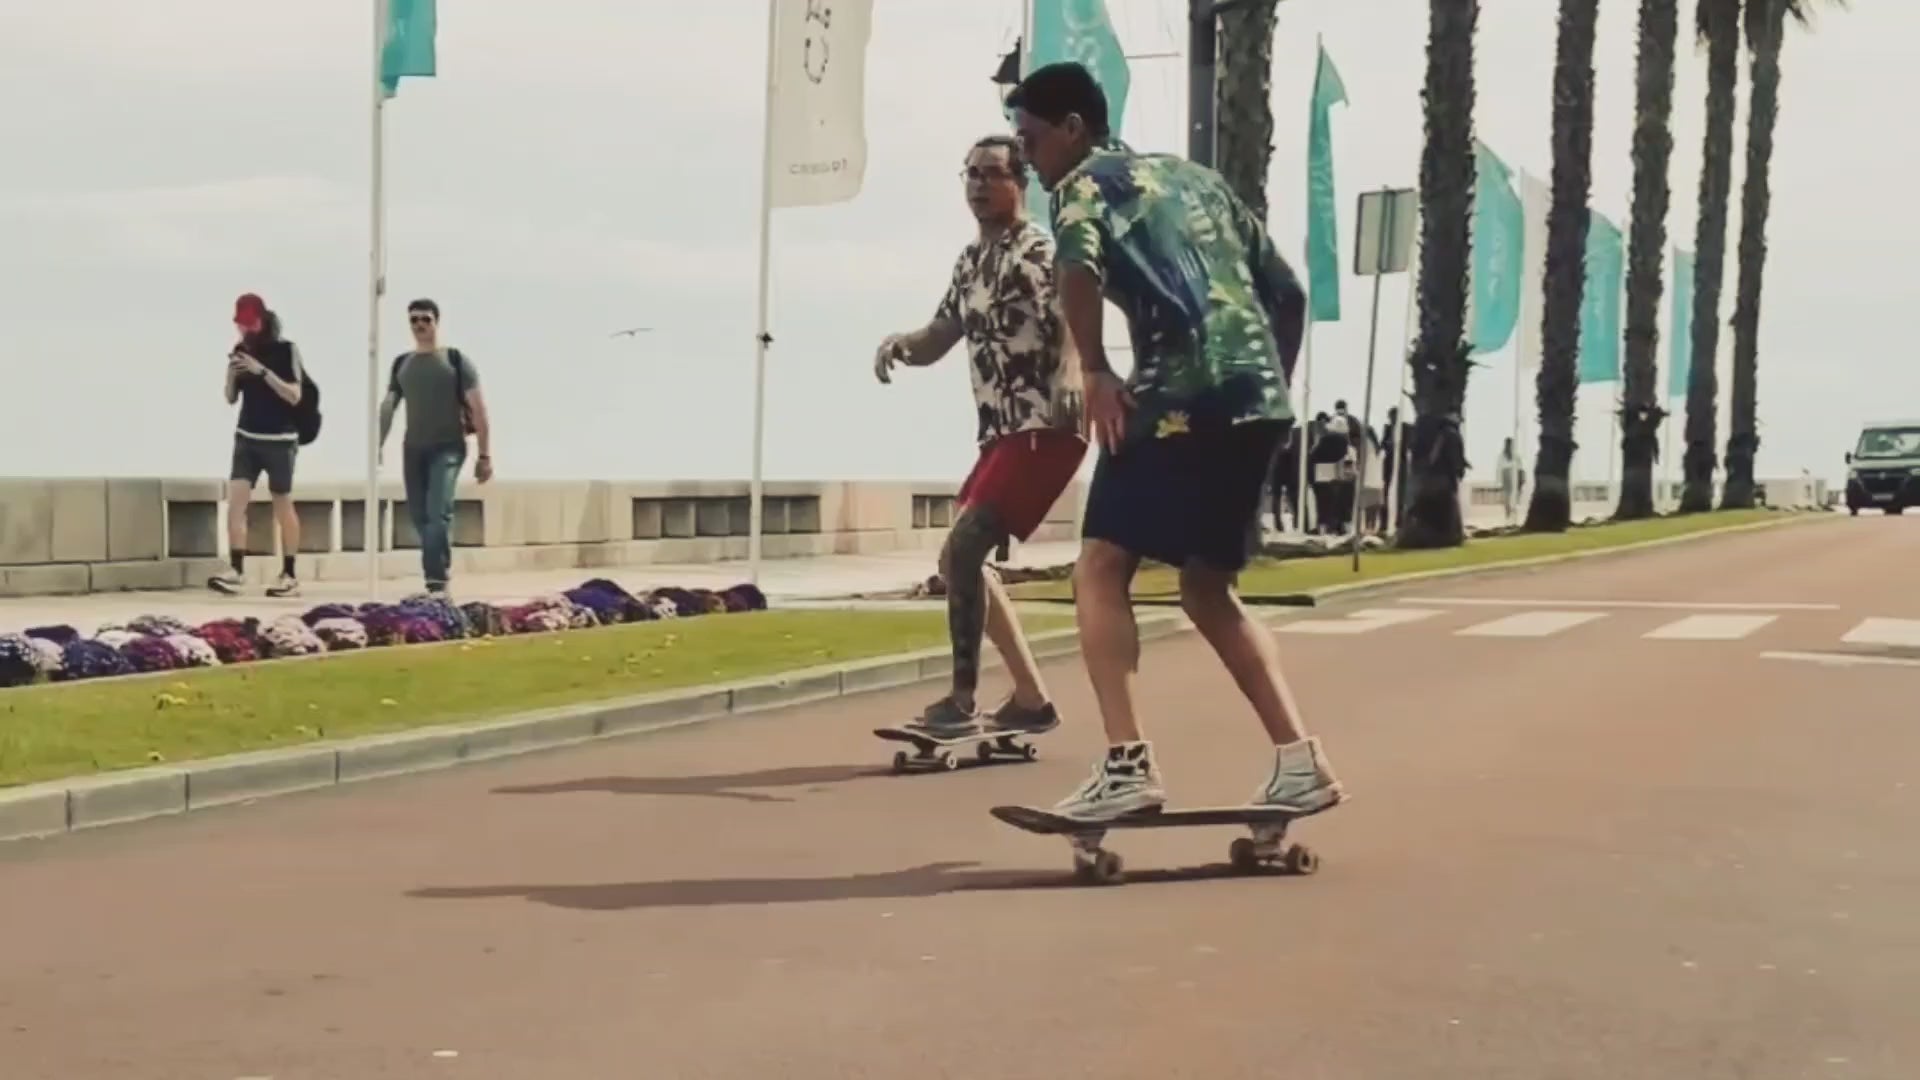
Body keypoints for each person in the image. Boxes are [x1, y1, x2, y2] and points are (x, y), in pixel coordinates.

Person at [1007, 62, 1347, 821]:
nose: (1028, 160)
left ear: (1073, 128)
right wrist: (1263, 383)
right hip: (1257, 402)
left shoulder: (1084, 186)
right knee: (1206, 588)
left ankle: (1127, 767)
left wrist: (1095, 369)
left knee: (1098, 567)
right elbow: (1286, 292)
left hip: (1179, 402)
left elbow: (1076, 265)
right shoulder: (1198, 181)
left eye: (1031, 141)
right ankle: (1300, 761)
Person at [873, 134, 1087, 737]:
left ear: (1020, 181)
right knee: (958, 558)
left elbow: (1075, 307)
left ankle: (962, 702)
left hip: (1046, 423)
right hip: (1001, 432)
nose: (977, 186)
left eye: (991, 174)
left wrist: (1071, 371)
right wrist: (903, 345)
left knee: (966, 549)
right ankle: (1030, 699)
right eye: (969, 174)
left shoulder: (1039, 250)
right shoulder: (971, 261)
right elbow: (944, 331)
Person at [377, 299, 493, 596]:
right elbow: (389, 405)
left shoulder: (455, 360)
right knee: (420, 517)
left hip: (449, 447)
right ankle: (439, 571)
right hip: (413, 450)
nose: (419, 325)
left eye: (425, 319)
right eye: (413, 320)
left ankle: (436, 582)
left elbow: (478, 409)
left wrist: (485, 455)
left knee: (437, 513)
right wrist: (377, 443)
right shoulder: (402, 363)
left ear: (436, 322)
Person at [209, 293, 305, 598]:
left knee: (282, 503)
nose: (245, 330)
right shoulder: (240, 350)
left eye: (250, 324)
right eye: (241, 325)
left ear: (262, 320)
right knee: (236, 502)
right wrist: (232, 375)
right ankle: (236, 570)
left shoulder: (286, 350)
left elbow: (294, 395)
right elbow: (230, 398)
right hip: (247, 436)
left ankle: (289, 573)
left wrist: (261, 371)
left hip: (280, 440)